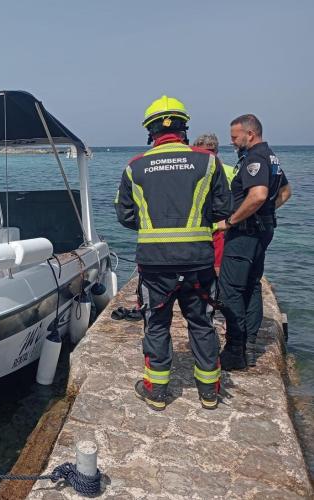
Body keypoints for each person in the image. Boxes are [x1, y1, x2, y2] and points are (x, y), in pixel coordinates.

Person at [115, 95, 232, 410]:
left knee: (156, 324)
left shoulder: (134, 167)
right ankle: (209, 392)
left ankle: (156, 392)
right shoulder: (208, 162)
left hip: (154, 264)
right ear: (184, 128)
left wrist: (154, 223)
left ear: (150, 131)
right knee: (202, 323)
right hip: (198, 262)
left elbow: (124, 215)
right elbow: (224, 208)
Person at [216, 114, 291, 369]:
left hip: (245, 234)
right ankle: (248, 345)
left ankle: (235, 350)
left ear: (250, 134)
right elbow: (285, 192)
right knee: (251, 285)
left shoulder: (255, 158)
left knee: (230, 290)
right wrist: (265, 215)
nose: (232, 142)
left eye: (235, 137)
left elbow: (258, 195)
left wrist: (231, 221)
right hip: (261, 231)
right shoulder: (270, 157)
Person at [192, 133, 236, 274]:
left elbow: (240, 200)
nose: (208, 155)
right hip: (197, 230)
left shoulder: (231, 172)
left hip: (220, 230)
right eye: (203, 152)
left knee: (218, 269)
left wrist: (231, 221)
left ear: (216, 151)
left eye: (210, 151)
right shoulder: (191, 173)